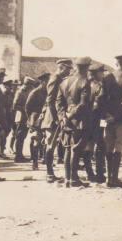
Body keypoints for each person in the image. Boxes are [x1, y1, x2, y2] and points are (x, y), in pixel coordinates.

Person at [56, 56, 93, 187]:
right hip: (80, 120)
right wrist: (70, 116)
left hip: (66, 120)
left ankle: (67, 178)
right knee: (76, 150)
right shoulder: (85, 82)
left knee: (67, 149)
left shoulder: (64, 82)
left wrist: (63, 117)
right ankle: (74, 179)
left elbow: (58, 103)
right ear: (87, 67)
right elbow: (83, 104)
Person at [101, 54, 122, 187]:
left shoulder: (107, 78)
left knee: (109, 146)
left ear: (116, 64)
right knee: (118, 146)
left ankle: (109, 179)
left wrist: (106, 114)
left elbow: (101, 98)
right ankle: (114, 178)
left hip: (108, 118)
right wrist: (117, 115)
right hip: (121, 118)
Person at [41, 59, 73, 182]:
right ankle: (49, 174)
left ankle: (50, 173)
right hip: (52, 117)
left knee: (53, 144)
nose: (69, 72)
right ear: (62, 67)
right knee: (51, 145)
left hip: (56, 116)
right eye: (68, 69)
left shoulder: (60, 79)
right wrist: (56, 119)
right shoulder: (55, 79)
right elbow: (50, 100)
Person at [25, 72, 50, 171]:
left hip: (46, 117)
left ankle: (46, 160)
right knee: (36, 140)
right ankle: (35, 162)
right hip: (36, 119)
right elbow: (27, 107)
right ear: (43, 81)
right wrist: (31, 120)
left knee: (46, 140)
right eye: (47, 81)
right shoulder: (35, 92)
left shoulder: (48, 91)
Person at [11, 77, 35, 163]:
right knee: (19, 137)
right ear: (27, 85)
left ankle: (19, 155)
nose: (31, 88)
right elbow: (15, 105)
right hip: (20, 117)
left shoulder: (27, 91)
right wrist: (24, 110)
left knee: (22, 137)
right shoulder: (20, 92)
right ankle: (18, 156)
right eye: (30, 86)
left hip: (25, 117)